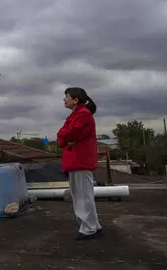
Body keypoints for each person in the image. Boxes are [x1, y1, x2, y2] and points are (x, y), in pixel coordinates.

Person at [57, 87, 102, 240]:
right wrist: (64, 137)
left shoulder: (83, 115)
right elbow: (63, 135)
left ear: (75, 100)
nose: (64, 99)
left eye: (67, 97)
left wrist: (64, 137)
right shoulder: (76, 115)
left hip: (79, 160)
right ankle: (93, 225)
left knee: (82, 195)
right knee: (84, 195)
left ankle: (89, 228)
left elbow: (70, 133)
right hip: (77, 160)